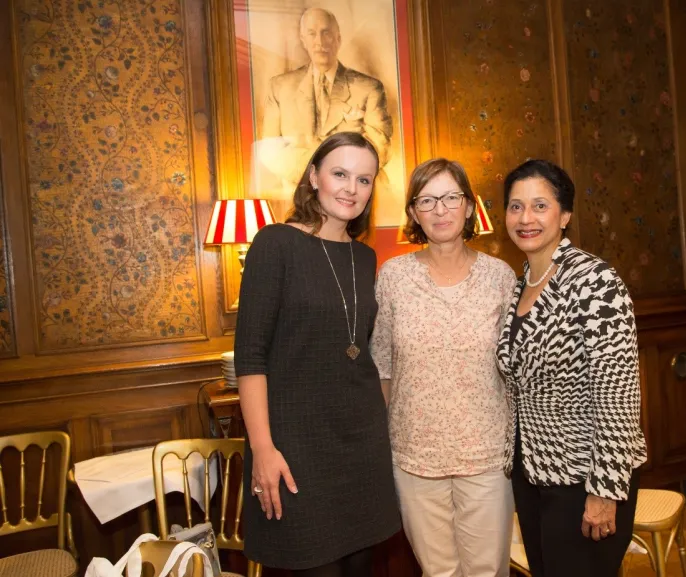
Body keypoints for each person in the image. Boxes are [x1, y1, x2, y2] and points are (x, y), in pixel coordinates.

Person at [234, 132, 400, 577]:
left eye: (364, 180)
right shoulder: (275, 244)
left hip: (362, 446)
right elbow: (250, 357)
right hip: (296, 448)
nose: (351, 188)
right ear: (314, 177)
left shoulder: (365, 259)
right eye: (340, 174)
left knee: (363, 566)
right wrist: (263, 448)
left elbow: (365, 352)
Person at [496, 160, 647, 577]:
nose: (526, 218)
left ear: (564, 215)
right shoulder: (520, 283)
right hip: (531, 475)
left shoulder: (595, 280)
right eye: (515, 206)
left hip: (583, 479)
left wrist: (605, 490)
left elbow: (619, 395)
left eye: (540, 206)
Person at [370, 158, 516, 577]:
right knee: (438, 573)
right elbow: (382, 366)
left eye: (451, 197)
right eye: (427, 200)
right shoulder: (393, 277)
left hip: (485, 455)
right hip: (415, 458)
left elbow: (514, 369)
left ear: (469, 207)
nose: (440, 210)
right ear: (414, 213)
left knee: (488, 571)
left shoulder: (500, 277)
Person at [259, 7, 393, 194]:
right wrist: (315, 176)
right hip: (297, 195)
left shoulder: (368, 88)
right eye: (312, 34)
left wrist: (338, 179)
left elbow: (380, 146)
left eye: (326, 33)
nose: (319, 42)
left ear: (338, 38)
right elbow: (270, 149)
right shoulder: (280, 87)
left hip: (352, 196)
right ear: (303, 40)